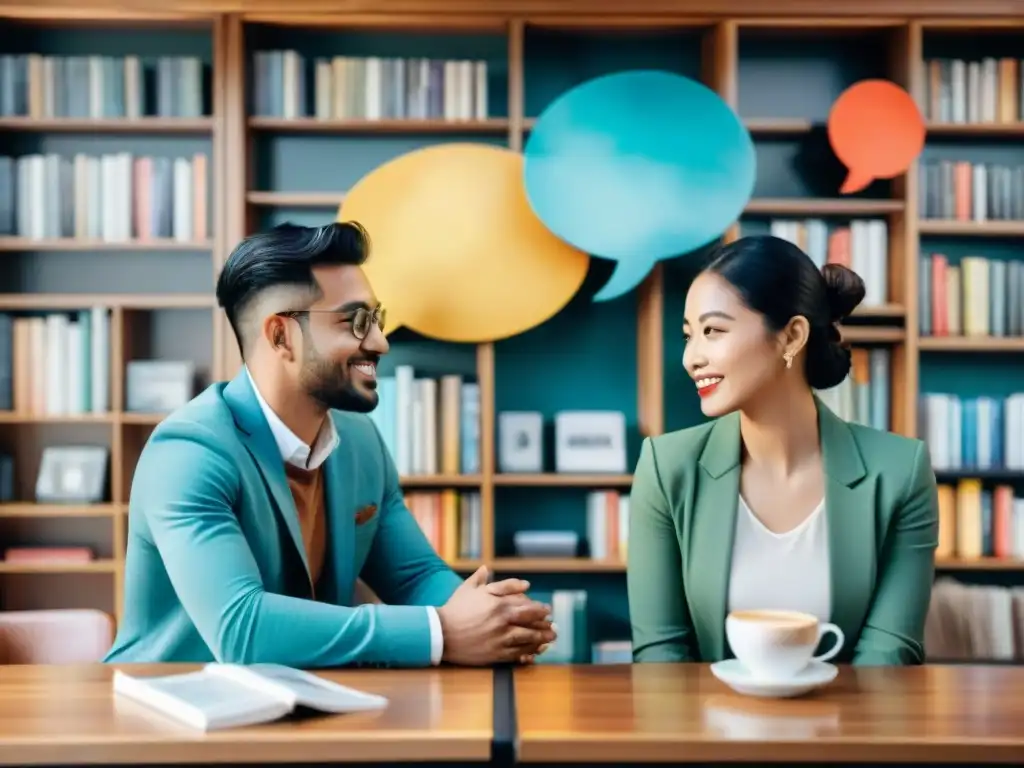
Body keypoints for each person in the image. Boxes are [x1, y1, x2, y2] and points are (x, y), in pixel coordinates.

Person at [105, 222, 555, 668]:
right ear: (282, 336)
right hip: (169, 718)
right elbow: (241, 628)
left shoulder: (359, 441)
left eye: (376, 319)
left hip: (305, 708)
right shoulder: (189, 452)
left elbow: (415, 576)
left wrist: (495, 618)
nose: (380, 341)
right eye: (356, 321)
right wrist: (439, 632)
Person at [627, 235, 938, 666]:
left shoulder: (901, 472)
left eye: (713, 331)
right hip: (703, 728)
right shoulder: (666, 469)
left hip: (849, 728)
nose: (691, 358)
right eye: (689, 335)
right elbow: (661, 654)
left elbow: (888, 655)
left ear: (792, 336)